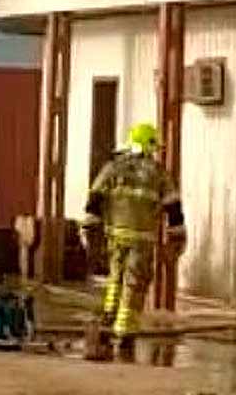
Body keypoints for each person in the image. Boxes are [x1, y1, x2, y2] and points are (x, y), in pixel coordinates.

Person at [80, 122, 186, 355]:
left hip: (115, 235)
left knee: (115, 278)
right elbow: (173, 207)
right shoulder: (157, 173)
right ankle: (125, 332)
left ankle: (108, 319)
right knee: (135, 284)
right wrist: (177, 235)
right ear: (149, 146)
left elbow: (94, 199)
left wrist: (90, 229)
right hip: (142, 238)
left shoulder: (112, 168)